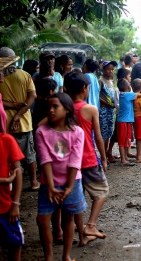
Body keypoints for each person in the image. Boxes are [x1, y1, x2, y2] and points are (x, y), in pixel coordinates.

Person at [35, 93, 86, 261]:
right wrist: (50, 186)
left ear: (67, 109)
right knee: (42, 220)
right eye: (48, 107)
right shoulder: (42, 131)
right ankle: (48, 256)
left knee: (68, 218)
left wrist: (70, 187)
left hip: (72, 181)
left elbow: (75, 160)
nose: (51, 110)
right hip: (48, 183)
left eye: (55, 106)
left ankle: (66, 255)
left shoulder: (77, 131)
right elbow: (45, 159)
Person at [64, 71, 109, 246]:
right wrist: (103, 158)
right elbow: (98, 137)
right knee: (101, 192)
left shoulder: (62, 108)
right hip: (87, 159)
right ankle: (90, 225)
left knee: (77, 200)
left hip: (68, 162)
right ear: (85, 89)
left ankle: (82, 235)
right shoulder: (89, 109)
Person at [0, 47, 39, 190]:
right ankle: (34, 181)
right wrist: (19, 114)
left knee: (7, 156)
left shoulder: (0, 77)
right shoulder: (24, 75)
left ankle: (9, 184)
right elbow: (32, 96)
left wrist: (12, 106)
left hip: (4, 124)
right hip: (24, 122)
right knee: (29, 154)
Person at [0, 130, 24, 261]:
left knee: (15, 243)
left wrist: (15, 203)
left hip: (5, 205)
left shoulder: (6, 140)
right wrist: (4, 180)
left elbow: (17, 172)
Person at [117, 79, 141, 165]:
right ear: (129, 87)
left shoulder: (122, 94)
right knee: (122, 141)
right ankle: (123, 159)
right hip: (124, 122)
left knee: (125, 140)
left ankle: (125, 157)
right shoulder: (128, 95)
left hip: (124, 121)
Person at [107, 67, 131, 164]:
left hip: (126, 117)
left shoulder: (126, 88)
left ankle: (125, 154)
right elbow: (117, 104)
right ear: (125, 77)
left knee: (124, 135)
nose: (130, 77)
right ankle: (112, 152)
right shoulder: (118, 90)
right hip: (121, 116)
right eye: (129, 76)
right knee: (118, 135)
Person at [99, 61, 117, 154]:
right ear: (103, 70)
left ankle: (106, 153)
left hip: (110, 110)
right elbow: (97, 95)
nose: (111, 71)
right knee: (103, 133)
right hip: (103, 110)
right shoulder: (100, 81)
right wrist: (106, 103)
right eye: (108, 69)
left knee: (109, 132)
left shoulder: (111, 81)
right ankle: (103, 156)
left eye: (112, 69)